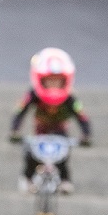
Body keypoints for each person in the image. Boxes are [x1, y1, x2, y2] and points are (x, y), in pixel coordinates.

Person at [9, 47, 92, 194]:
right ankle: (27, 178)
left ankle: (65, 181)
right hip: (41, 128)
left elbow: (82, 117)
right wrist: (15, 130)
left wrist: (86, 135)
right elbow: (20, 111)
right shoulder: (33, 94)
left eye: (57, 82)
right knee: (31, 154)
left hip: (60, 129)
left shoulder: (70, 98)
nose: (53, 86)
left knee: (63, 156)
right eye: (50, 82)